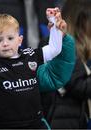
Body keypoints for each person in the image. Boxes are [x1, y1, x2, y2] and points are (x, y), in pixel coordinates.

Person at [41, 0, 91, 128]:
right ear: (82, 21)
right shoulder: (61, 43)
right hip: (61, 121)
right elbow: (78, 86)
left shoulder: (79, 45)